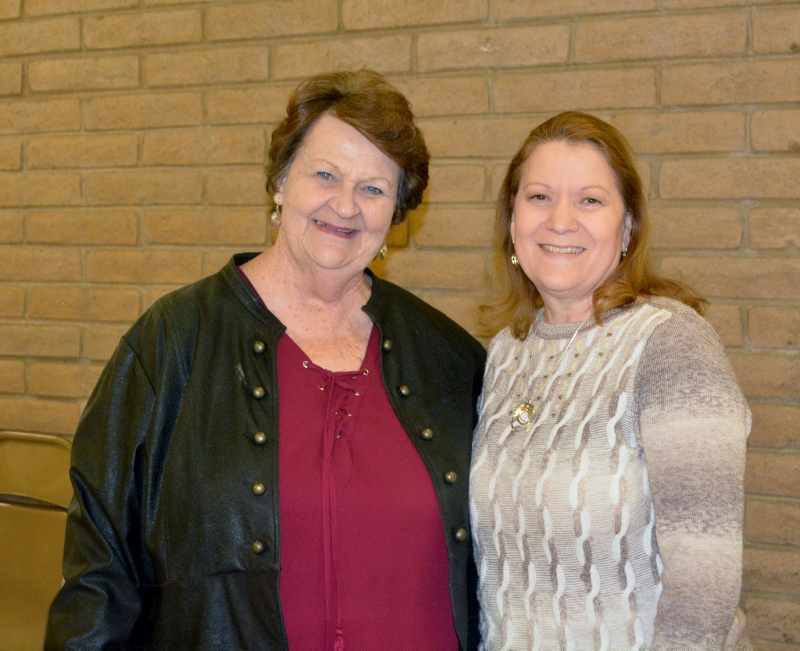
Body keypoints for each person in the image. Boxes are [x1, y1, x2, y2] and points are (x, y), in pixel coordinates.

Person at [46, 70, 485, 651]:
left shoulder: (450, 358)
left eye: (374, 188)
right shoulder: (172, 342)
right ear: (280, 182)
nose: (345, 206)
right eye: (325, 175)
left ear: (396, 213)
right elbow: (99, 571)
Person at [470, 111, 750, 650]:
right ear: (511, 221)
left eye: (591, 200)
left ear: (627, 228)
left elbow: (704, 582)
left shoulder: (672, 344)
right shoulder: (507, 352)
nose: (561, 220)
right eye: (539, 197)